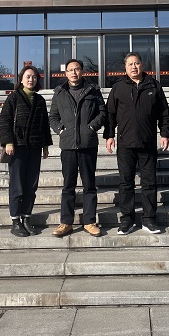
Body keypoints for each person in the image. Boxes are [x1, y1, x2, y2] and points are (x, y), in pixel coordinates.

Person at [105, 52, 169, 235]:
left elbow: (164, 112)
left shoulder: (153, 85)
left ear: (142, 65)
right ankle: (127, 220)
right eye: (130, 64)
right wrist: (109, 135)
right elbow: (110, 114)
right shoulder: (118, 87)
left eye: (136, 63)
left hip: (147, 142)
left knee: (149, 183)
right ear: (125, 68)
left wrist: (165, 133)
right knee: (126, 183)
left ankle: (149, 219)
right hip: (125, 144)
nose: (134, 67)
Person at [49, 59, 106, 237]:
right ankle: (66, 222)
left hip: (88, 144)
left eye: (77, 69)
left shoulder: (93, 90)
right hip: (68, 145)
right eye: (70, 70)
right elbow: (53, 117)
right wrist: (61, 130)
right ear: (65, 73)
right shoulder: (59, 92)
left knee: (89, 185)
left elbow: (102, 112)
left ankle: (89, 221)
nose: (74, 72)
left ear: (82, 71)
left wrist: (92, 127)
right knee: (68, 186)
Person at [0, 65, 52, 237]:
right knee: (17, 185)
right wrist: (8, 142)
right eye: (28, 76)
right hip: (17, 147)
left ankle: (26, 218)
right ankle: (15, 221)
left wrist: (45, 145)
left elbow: (44, 125)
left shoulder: (40, 100)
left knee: (31, 185)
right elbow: (5, 121)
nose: (31, 79)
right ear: (21, 79)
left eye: (34, 77)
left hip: (35, 147)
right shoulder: (13, 98)